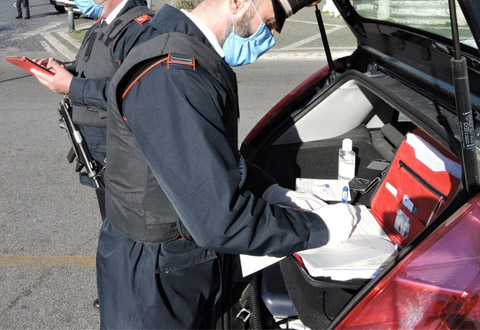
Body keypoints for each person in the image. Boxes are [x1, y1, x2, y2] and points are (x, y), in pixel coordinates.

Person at [99, 0, 358, 328]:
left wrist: (272, 191)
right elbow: (218, 220)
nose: (274, 34)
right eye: (272, 21)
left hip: (171, 263)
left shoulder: (182, 45)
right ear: (237, 2)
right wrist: (321, 229)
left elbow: (212, 156)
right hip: (155, 282)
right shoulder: (174, 75)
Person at [31, 0, 153, 308]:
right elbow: (93, 70)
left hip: (121, 148)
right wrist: (62, 70)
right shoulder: (101, 25)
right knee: (112, 225)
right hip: (96, 147)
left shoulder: (138, 27)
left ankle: (132, 296)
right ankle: (118, 289)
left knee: (131, 229)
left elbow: (133, 88)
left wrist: (71, 85)